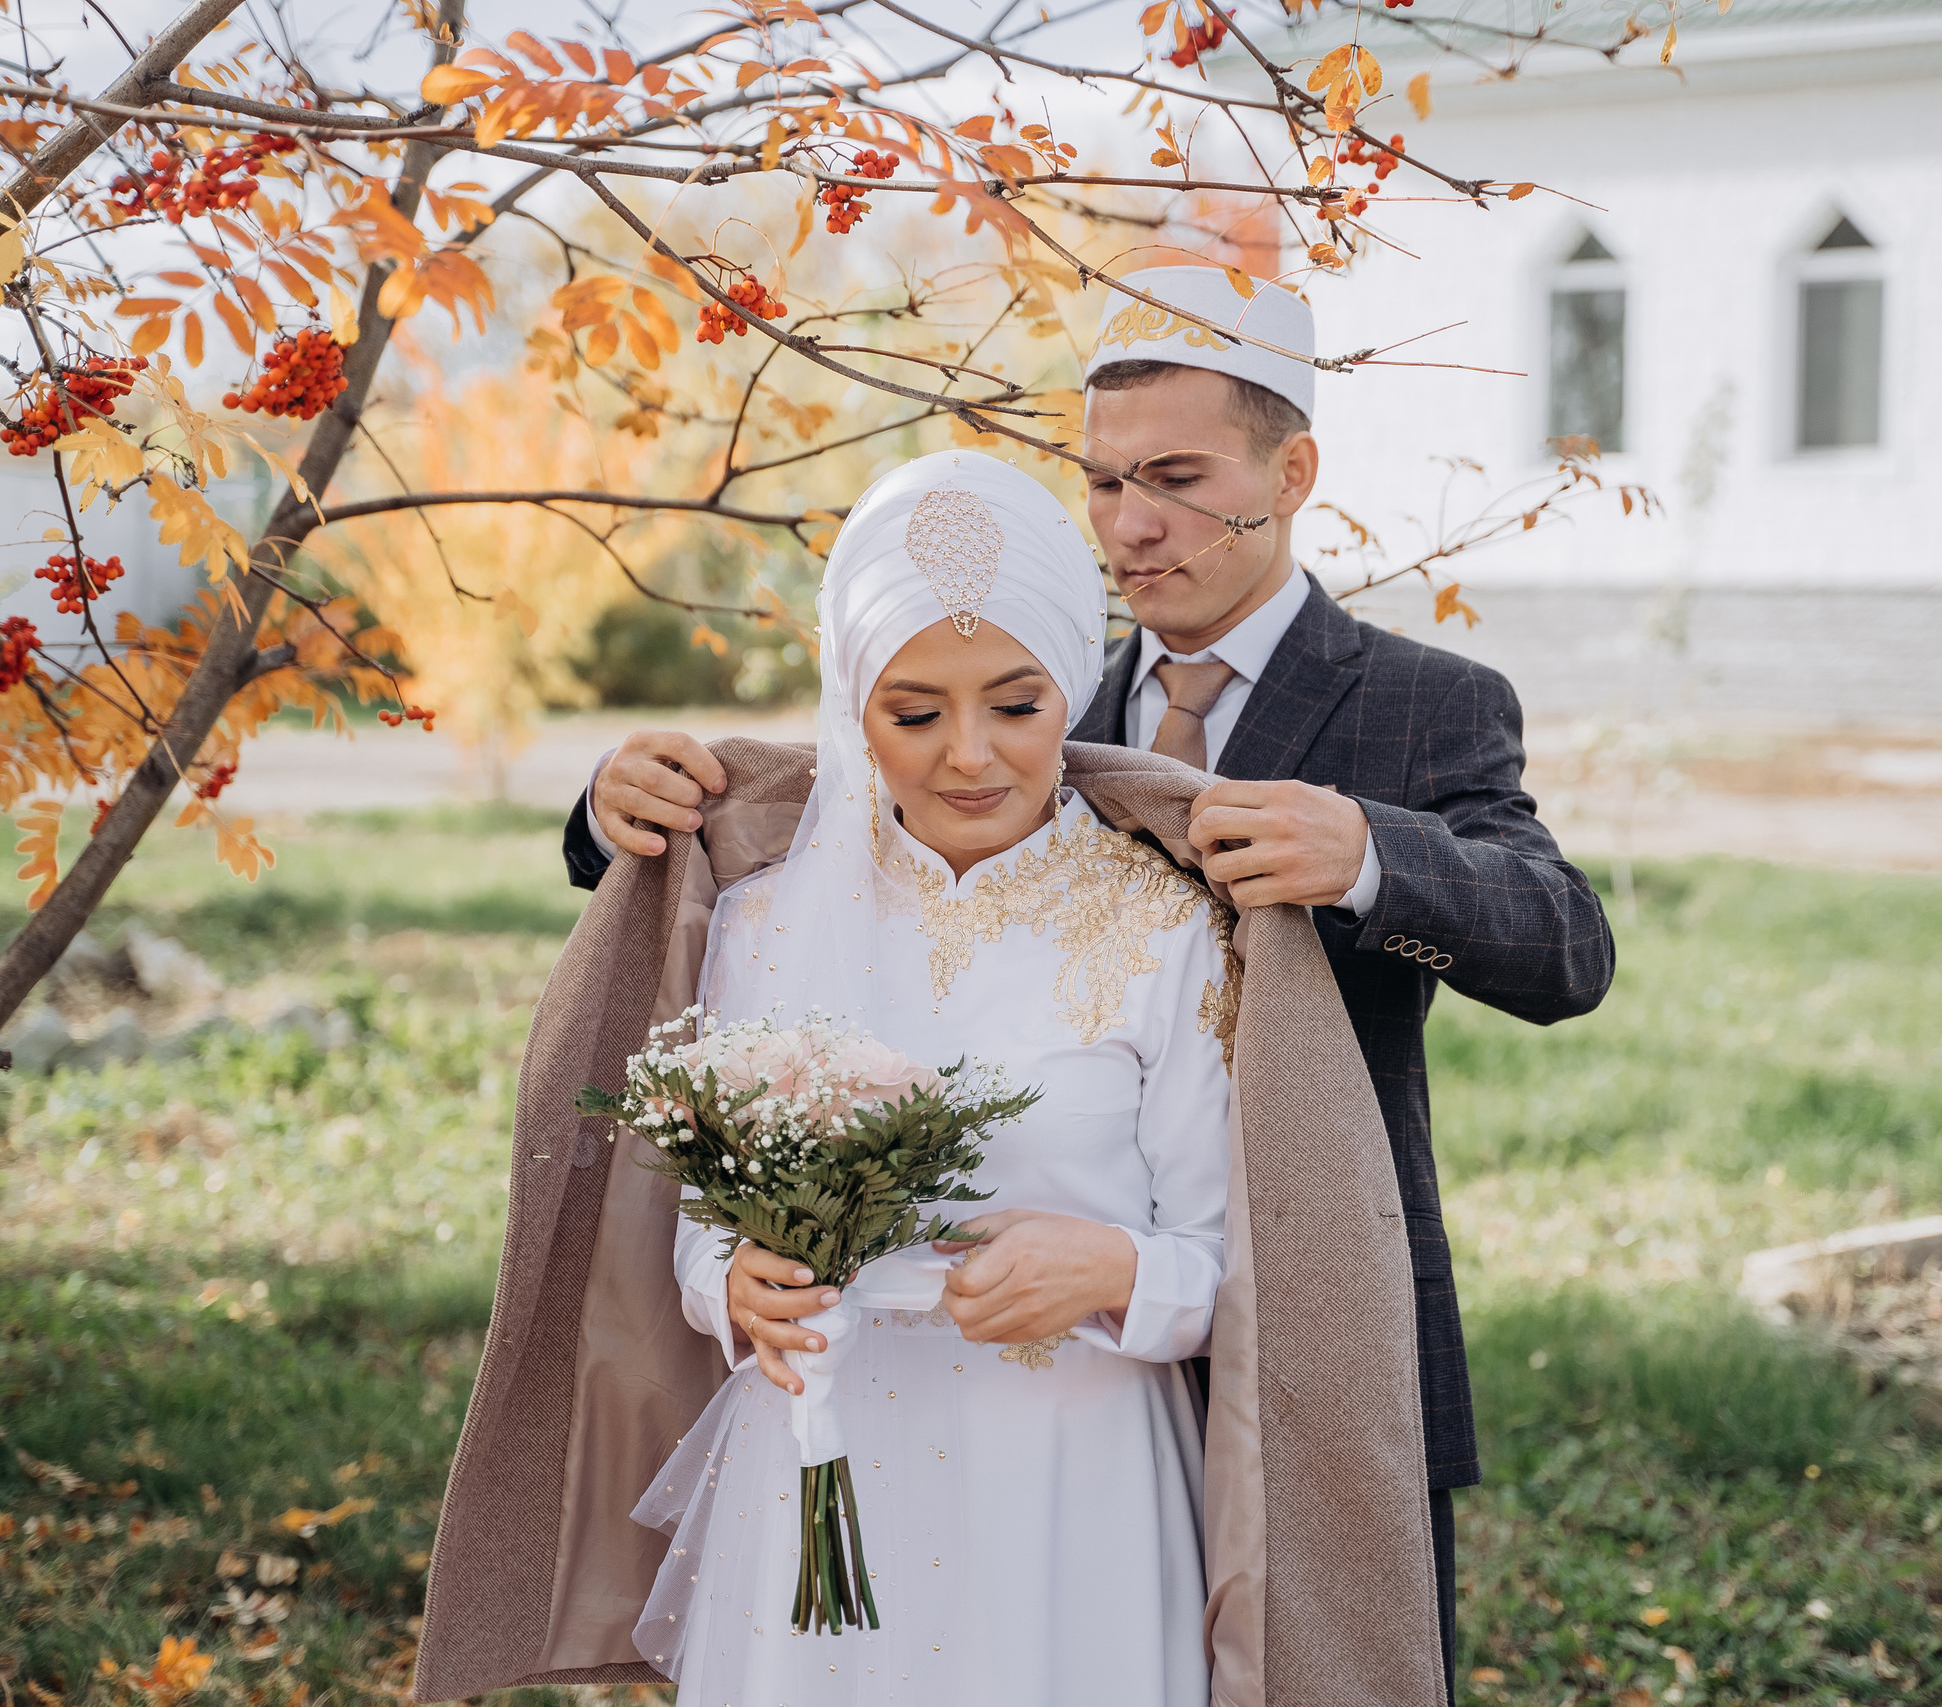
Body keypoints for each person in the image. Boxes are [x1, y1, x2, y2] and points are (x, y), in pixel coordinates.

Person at [559, 266, 1618, 1696]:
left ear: (1290, 474)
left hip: (1298, 1333)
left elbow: (1567, 949)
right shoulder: (1033, 665)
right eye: (1106, 482)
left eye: (1175, 480)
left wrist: (1372, 856)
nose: (1130, 524)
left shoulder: (1424, 705)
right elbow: (807, 795)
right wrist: (605, 814)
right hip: (916, 1403)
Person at [416, 447, 1445, 1707]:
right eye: (912, 715)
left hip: (1073, 1485)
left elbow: (1242, 1264)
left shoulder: (1168, 926)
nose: (969, 755)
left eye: (1017, 706)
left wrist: (1113, 1270)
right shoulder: (759, 919)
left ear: (1071, 686)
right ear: (851, 705)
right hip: (817, 1463)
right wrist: (729, 1285)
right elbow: (695, 1211)